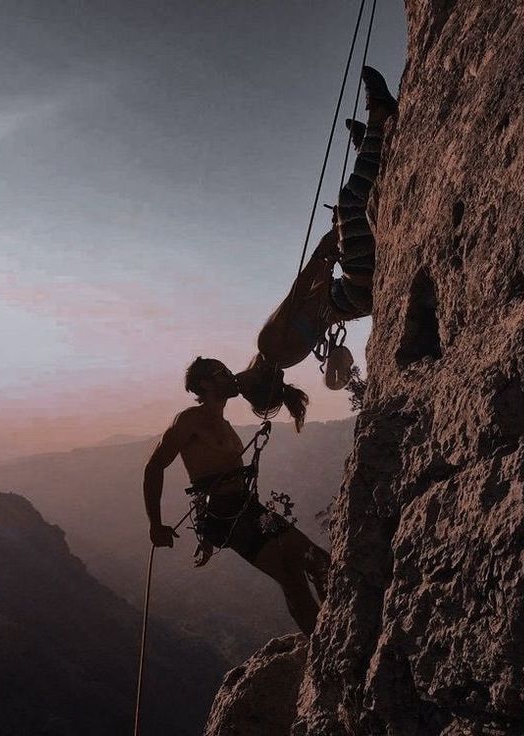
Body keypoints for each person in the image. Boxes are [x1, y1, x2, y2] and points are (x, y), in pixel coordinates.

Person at [238, 66, 397, 417]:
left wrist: (331, 261)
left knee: (354, 210)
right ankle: (379, 116)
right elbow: (299, 292)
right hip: (355, 283)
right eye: (243, 380)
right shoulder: (269, 346)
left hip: (358, 293)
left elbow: (314, 307)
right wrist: (325, 251)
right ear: (254, 378)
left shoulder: (288, 359)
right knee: (352, 202)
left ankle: (369, 146)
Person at [143, 356, 330, 636]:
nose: (231, 376)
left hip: (245, 508)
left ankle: (337, 626)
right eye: (222, 372)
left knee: (317, 560)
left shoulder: (225, 424)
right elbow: (154, 466)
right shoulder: (189, 420)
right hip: (226, 516)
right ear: (205, 383)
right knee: (292, 579)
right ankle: (324, 644)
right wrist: (155, 525)